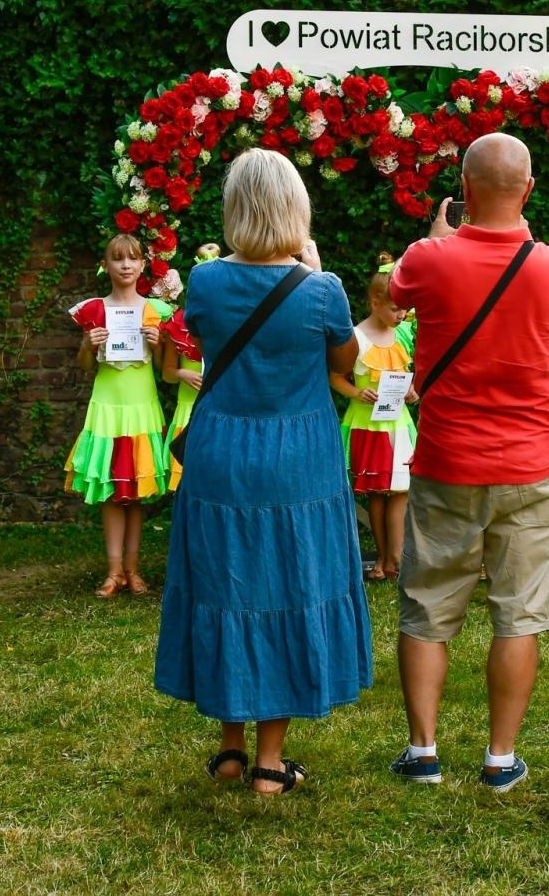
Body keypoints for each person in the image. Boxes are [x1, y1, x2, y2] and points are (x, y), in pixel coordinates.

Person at [154, 148, 371, 795]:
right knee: (287, 588)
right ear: (295, 208)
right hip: (297, 462)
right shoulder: (322, 291)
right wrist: (315, 270)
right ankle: (271, 761)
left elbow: (203, 336)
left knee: (225, 584)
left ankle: (228, 747)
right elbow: (350, 358)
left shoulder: (207, 282)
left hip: (222, 454)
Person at [386, 132, 549, 792]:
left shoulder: (427, 258)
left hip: (446, 461)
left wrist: (440, 236)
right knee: (519, 614)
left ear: (463, 188)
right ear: (527, 190)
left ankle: (424, 751)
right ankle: (500, 757)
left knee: (426, 608)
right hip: (531, 462)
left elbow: (400, 292)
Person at [65, 234, 168, 597]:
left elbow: (164, 370)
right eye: (117, 259)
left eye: (133, 259)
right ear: (105, 265)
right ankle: (113, 572)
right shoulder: (93, 309)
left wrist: (158, 347)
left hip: (141, 405)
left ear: (142, 265)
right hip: (108, 406)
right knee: (112, 491)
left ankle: (134, 569)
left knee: (136, 491)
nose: (125, 265)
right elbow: (84, 366)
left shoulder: (156, 311)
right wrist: (87, 345)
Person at [330, 251, 418, 581]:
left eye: (405, 308)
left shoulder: (404, 333)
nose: (401, 314)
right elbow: (335, 376)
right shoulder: (356, 336)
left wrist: (412, 391)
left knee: (399, 488)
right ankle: (387, 558)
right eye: (395, 308)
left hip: (398, 424)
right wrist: (357, 392)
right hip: (368, 424)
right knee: (381, 492)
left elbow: (409, 374)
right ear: (374, 302)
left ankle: (392, 558)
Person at [160, 242, 220, 492]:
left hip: (221, 409)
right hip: (188, 411)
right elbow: (167, 374)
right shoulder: (178, 323)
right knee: (186, 485)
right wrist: (182, 373)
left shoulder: (232, 318)